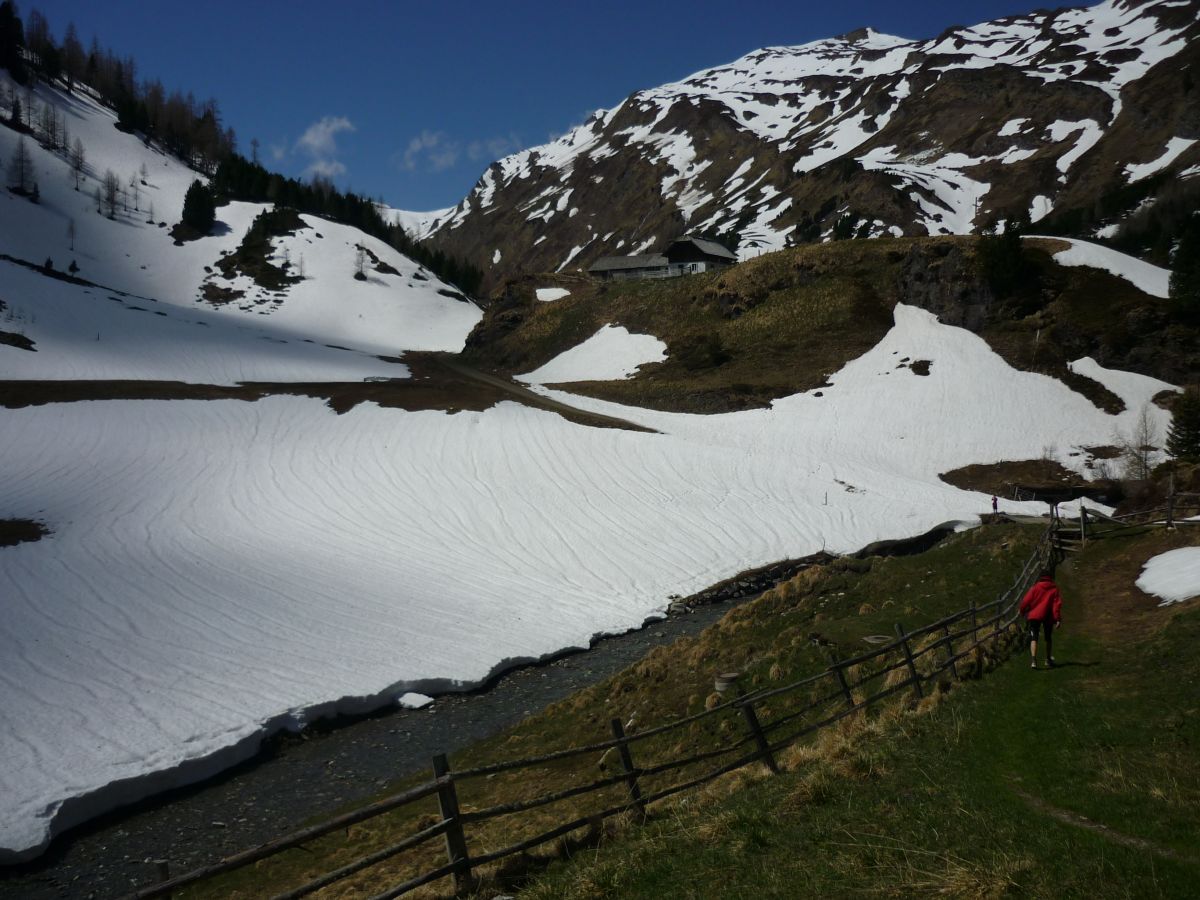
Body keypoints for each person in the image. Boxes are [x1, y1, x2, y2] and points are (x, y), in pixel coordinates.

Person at [1019, 568, 1062, 669]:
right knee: (1048, 638)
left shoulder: (1035, 588)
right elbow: (1056, 605)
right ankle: (1048, 659)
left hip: (1035, 615)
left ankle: (1033, 660)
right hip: (1048, 616)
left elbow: (1025, 601)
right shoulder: (1054, 589)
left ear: (1041, 577)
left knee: (1034, 637)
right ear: (1050, 578)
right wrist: (1058, 619)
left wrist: (1022, 611)